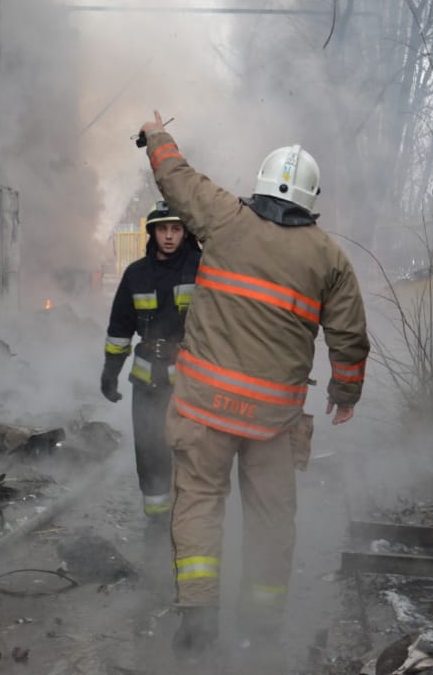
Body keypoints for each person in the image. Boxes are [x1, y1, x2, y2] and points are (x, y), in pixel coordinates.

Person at [136, 110, 368, 659]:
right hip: (272, 422)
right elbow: (349, 335)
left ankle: (197, 618)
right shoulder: (329, 257)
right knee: (270, 519)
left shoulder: (225, 217)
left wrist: (157, 135)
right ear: (311, 199)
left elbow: (176, 178)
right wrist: (345, 393)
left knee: (197, 503)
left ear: (261, 183)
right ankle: (261, 626)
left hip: (203, 408)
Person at [100, 202, 201, 525]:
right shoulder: (137, 274)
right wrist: (110, 373)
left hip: (192, 385)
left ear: (185, 233)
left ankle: (191, 520)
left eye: (176, 229)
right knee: (149, 450)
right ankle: (157, 522)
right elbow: (119, 330)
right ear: (152, 232)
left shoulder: (202, 269)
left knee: (192, 452)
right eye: (162, 229)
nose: (169, 236)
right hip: (147, 383)